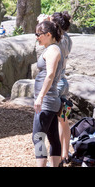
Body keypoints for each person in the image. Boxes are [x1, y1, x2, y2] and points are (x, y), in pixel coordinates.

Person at [32, 20, 64, 167]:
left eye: (38, 34)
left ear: (48, 34)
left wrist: (40, 97)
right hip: (50, 100)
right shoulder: (52, 48)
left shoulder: (52, 50)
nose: (37, 37)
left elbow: (50, 74)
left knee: (37, 137)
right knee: (53, 137)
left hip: (47, 101)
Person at [50, 11, 73, 163]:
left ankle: (56, 159)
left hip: (56, 85)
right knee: (64, 120)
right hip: (64, 83)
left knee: (53, 124)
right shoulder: (68, 39)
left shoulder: (57, 40)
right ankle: (65, 154)